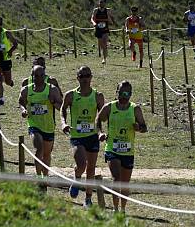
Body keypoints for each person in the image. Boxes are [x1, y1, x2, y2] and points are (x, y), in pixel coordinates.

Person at [96, 81, 147, 214]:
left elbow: (144, 127)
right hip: (112, 149)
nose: (124, 96)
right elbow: (98, 119)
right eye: (121, 93)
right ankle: (115, 209)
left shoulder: (135, 109)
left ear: (130, 94)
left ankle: (123, 209)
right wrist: (100, 133)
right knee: (116, 179)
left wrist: (139, 128)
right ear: (116, 93)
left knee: (124, 184)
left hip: (128, 151)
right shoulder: (109, 107)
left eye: (127, 93)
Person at [61, 66, 105, 208]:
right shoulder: (70, 95)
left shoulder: (98, 96)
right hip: (77, 136)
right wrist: (63, 123)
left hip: (92, 136)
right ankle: (76, 178)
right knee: (81, 165)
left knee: (91, 169)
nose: (85, 79)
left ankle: (88, 199)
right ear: (77, 78)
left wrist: (101, 132)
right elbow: (63, 109)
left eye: (88, 76)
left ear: (91, 77)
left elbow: (101, 116)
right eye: (82, 76)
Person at [18, 65, 62, 180]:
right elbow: (21, 102)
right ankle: (38, 178)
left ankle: (45, 176)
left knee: (46, 154)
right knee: (39, 149)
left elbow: (61, 106)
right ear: (32, 76)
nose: (39, 78)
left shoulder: (52, 89)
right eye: (36, 76)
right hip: (34, 125)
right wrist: (23, 110)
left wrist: (53, 103)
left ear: (45, 75)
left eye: (41, 75)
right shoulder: (26, 90)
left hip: (48, 126)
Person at [90, 0, 114, 64]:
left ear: (105, 3)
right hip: (98, 29)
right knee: (101, 45)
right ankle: (105, 52)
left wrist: (110, 20)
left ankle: (104, 59)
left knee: (104, 43)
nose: (101, 3)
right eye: (100, 2)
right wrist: (94, 23)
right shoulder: (95, 10)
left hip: (105, 29)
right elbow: (92, 18)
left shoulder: (108, 10)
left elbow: (111, 19)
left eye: (102, 2)